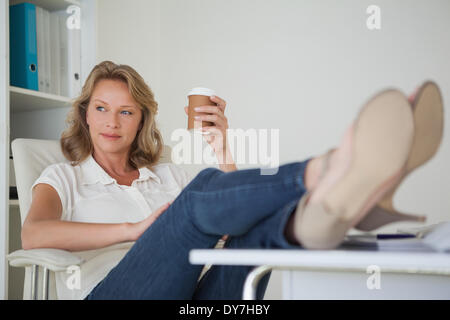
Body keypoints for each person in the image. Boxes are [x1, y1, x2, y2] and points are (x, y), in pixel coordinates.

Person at [22, 60, 443, 300]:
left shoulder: (165, 174)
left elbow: (235, 211)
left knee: (253, 234)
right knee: (200, 189)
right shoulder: (62, 176)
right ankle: (327, 169)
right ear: (84, 114)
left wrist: (222, 145)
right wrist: (135, 229)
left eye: (126, 112)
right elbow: (34, 234)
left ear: (141, 121)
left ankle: (323, 213)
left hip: (195, 302)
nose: (112, 122)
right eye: (101, 108)